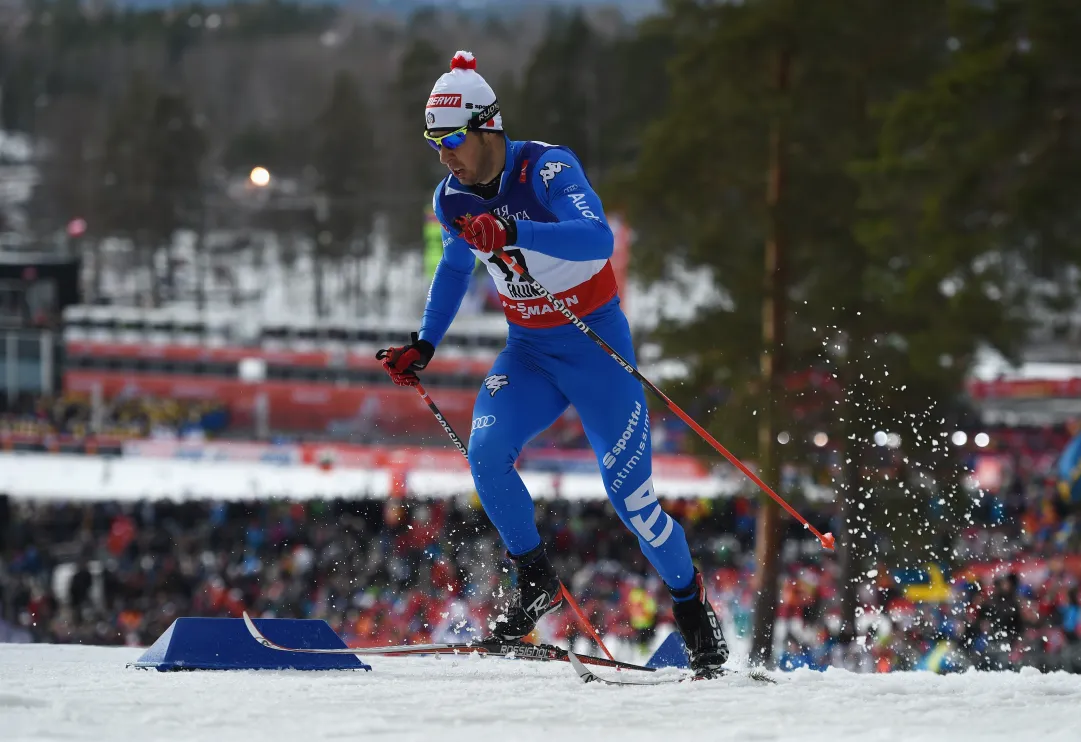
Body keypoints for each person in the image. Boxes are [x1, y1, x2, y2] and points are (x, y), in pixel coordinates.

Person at [377, 50, 728, 677]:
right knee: (485, 453)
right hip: (530, 353)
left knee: (635, 504)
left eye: (453, 138)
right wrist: (424, 343)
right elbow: (455, 266)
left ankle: (692, 605)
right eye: (434, 142)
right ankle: (534, 577)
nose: (445, 155)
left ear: (489, 125)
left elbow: (598, 240)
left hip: (597, 349)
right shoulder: (451, 199)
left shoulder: (547, 167)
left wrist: (513, 235)